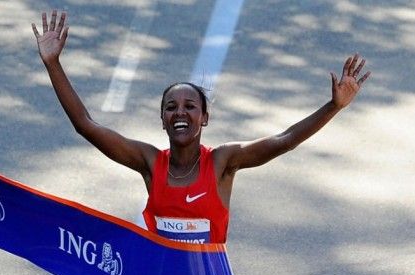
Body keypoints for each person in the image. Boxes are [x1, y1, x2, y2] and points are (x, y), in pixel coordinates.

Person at [32, 11, 371, 244]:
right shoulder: (150, 162)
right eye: (171, 107)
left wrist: (333, 107)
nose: (180, 113)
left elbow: (283, 140)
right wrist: (53, 64)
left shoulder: (222, 162)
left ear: (204, 118)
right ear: (163, 119)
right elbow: (85, 125)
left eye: (190, 106)